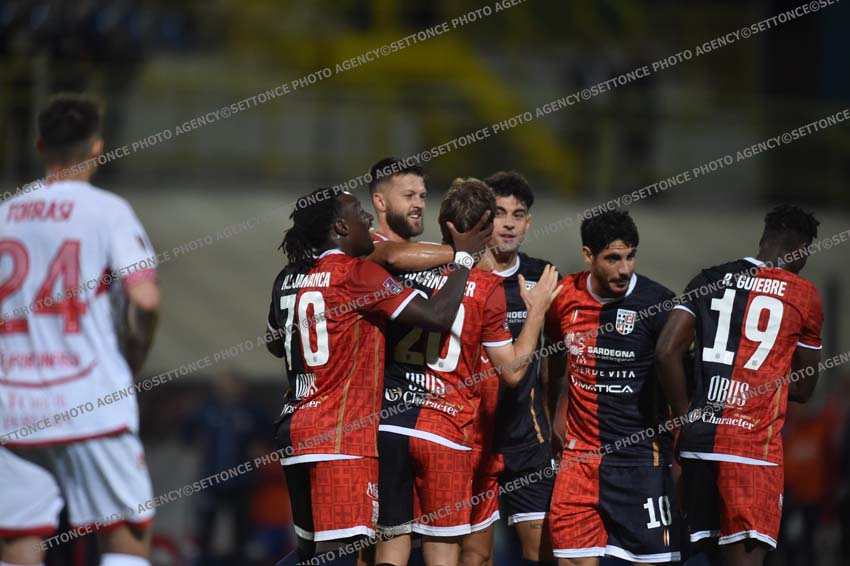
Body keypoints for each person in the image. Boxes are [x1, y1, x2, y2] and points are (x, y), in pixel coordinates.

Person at [265, 187, 492, 566]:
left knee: (308, 553)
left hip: (294, 428)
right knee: (341, 556)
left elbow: (275, 343)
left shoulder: (287, 276)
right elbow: (437, 316)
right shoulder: (357, 274)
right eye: (358, 212)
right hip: (340, 435)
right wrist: (464, 258)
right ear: (340, 226)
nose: (368, 218)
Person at [0, 94, 160, 566]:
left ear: (40, 146)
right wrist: (135, 355)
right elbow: (145, 299)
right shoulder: (108, 210)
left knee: (17, 540)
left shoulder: (6, 213)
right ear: (96, 147)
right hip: (92, 401)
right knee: (126, 537)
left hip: (13, 406)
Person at [375, 178, 562, 566]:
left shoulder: (401, 272)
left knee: (391, 545)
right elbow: (512, 371)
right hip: (447, 430)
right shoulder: (487, 287)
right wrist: (536, 313)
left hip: (392, 424)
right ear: (485, 228)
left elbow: (387, 255)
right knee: (444, 550)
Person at [656, 204, 824, 566]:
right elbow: (804, 389)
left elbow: (666, 351)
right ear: (802, 250)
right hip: (751, 453)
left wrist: (685, 418)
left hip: (700, 445)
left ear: (763, 239)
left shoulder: (709, 278)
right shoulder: (804, 295)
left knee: (703, 557)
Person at [545, 210, 680, 565]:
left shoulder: (658, 304)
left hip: (641, 461)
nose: (624, 269)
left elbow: (684, 377)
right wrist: (554, 417)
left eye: (630, 256)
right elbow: (555, 362)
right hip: (579, 461)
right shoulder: (563, 297)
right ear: (588, 255)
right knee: (570, 559)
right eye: (613, 259)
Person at [461, 172, 556, 566]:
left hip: (527, 438)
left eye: (518, 214)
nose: (509, 224)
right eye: (500, 213)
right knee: (476, 556)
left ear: (528, 223)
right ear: (484, 218)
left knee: (542, 554)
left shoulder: (542, 275)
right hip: (473, 437)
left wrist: (557, 415)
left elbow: (556, 357)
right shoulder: (463, 276)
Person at [183, 370, 265, 566]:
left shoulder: (251, 412)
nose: (225, 389)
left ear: (240, 387)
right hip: (212, 477)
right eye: (222, 385)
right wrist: (195, 440)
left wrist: (259, 449)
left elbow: (267, 435)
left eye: (231, 385)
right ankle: (204, 560)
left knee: (242, 527)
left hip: (241, 480)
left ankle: (240, 560)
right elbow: (187, 432)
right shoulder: (207, 411)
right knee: (206, 525)